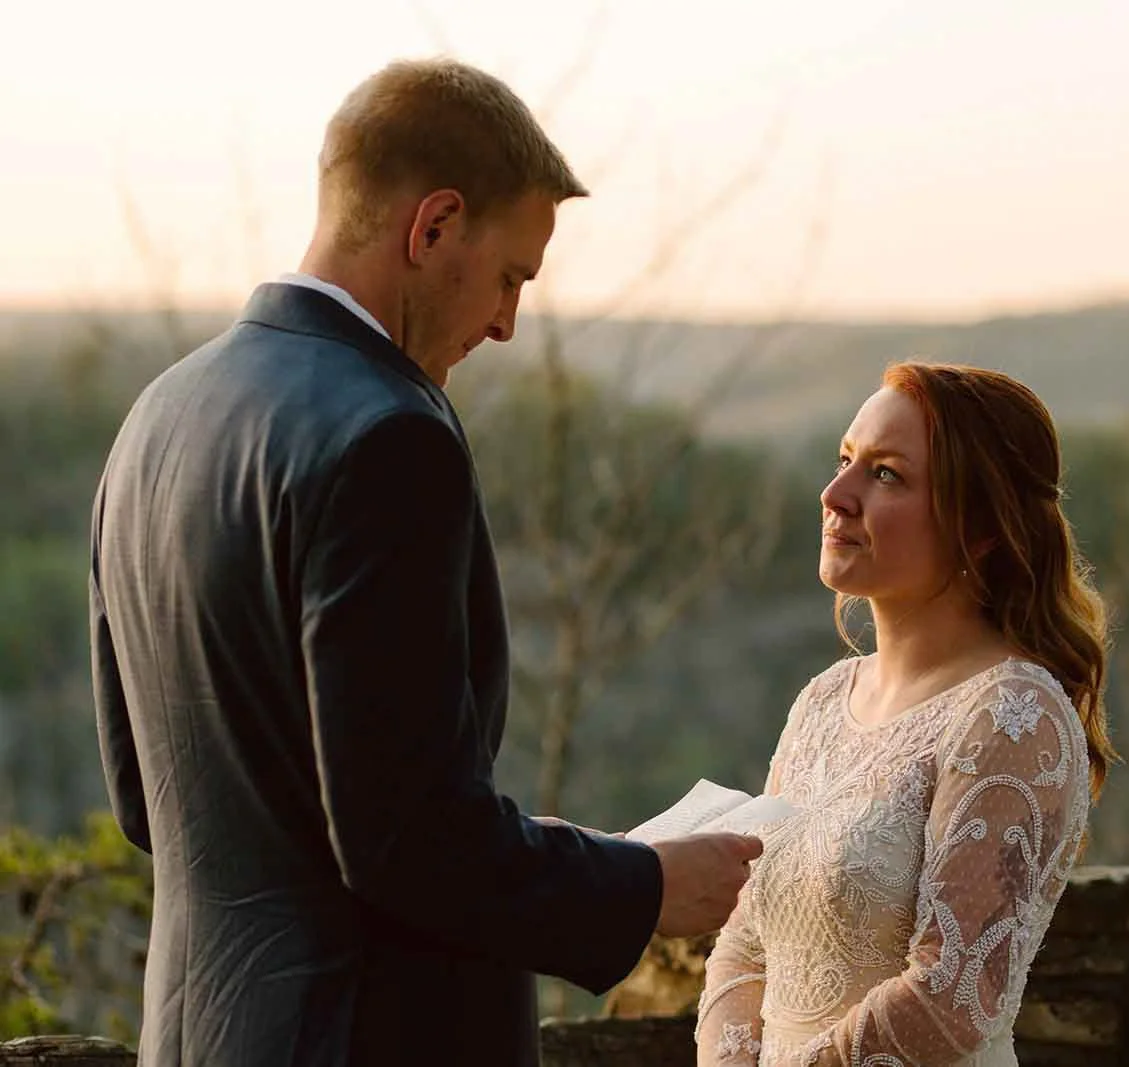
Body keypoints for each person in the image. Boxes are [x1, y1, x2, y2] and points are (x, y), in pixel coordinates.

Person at [89, 57, 761, 1067]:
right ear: (434, 225)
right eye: (510, 277)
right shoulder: (388, 438)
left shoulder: (161, 414)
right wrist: (646, 884)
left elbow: (153, 798)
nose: (504, 323)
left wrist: (483, 827)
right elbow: (408, 840)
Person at [694, 362, 1117, 1066]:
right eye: (844, 461)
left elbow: (951, 995)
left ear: (980, 526)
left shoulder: (1013, 712)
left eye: (885, 474)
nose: (836, 495)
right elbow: (744, 942)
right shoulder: (823, 701)